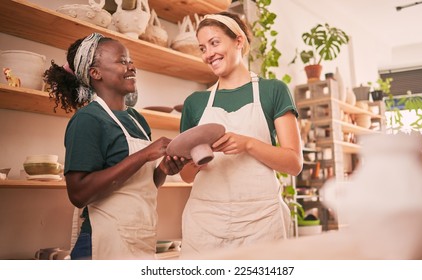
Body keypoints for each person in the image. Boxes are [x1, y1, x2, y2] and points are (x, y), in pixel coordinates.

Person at [43, 33, 187, 260]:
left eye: (130, 61)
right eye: (122, 61)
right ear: (95, 73)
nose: (131, 67)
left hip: (141, 239)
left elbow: (143, 185)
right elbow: (78, 193)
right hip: (103, 243)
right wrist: (144, 155)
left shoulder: (138, 120)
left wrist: (163, 170)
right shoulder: (88, 119)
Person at [179, 12, 303, 256]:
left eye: (215, 43)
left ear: (239, 41)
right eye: (203, 48)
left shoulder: (273, 91)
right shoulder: (195, 103)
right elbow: (185, 175)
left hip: (261, 223)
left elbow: (294, 163)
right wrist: (197, 161)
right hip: (205, 223)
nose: (208, 54)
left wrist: (248, 145)